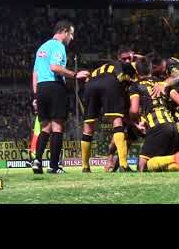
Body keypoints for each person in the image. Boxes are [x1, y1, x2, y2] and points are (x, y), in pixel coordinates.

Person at [31, 20, 89, 174]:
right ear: (64, 31)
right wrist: (75, 75)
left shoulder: (42, 47)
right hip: (55, 87)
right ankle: (54, 166)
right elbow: (55, 67)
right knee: (57, 127)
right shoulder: (59, 46)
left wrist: (36, 96)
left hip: (41, 88)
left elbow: (35, 74)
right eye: (71, 34)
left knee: (45, 127)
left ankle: (37, 161)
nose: (72, 38)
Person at [128, 57, 179, 172]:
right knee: (163, 166)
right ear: (150, 69)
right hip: (173, 127)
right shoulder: (162, 83)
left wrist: (136, 121)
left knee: (142, 167)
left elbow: (134, 110)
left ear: (137, 72)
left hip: (158, 127)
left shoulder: (135, 86)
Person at [81, 52, 139, 173]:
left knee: (88, 127)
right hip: (110, 83)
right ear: (119, 59)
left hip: (90, 84)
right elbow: (147, 61)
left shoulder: (102, 67)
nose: (127, 60)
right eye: (125, 58)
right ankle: (123, 165)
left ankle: (85, 167)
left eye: (129, 58)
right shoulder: (130, 65)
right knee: (117, 122)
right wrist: (135, 56)